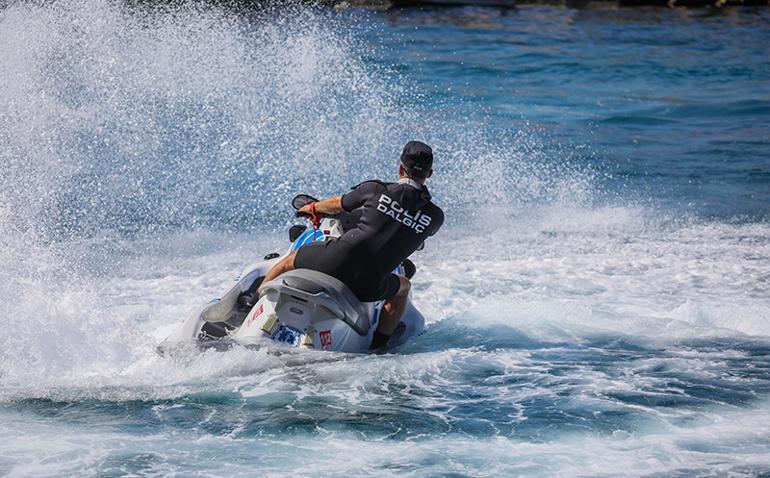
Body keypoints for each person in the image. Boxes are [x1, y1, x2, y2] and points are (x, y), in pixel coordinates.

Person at [261, 141, 444, 349]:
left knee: (288, 261)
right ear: (429, 174)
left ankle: (252, 305)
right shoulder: (435, 216)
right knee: (403, 287)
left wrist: (311, 207)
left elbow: (337, 203)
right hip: (368, 284)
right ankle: (379, 345)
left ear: (401, 168)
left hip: (335, 260)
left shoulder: (376, 189)